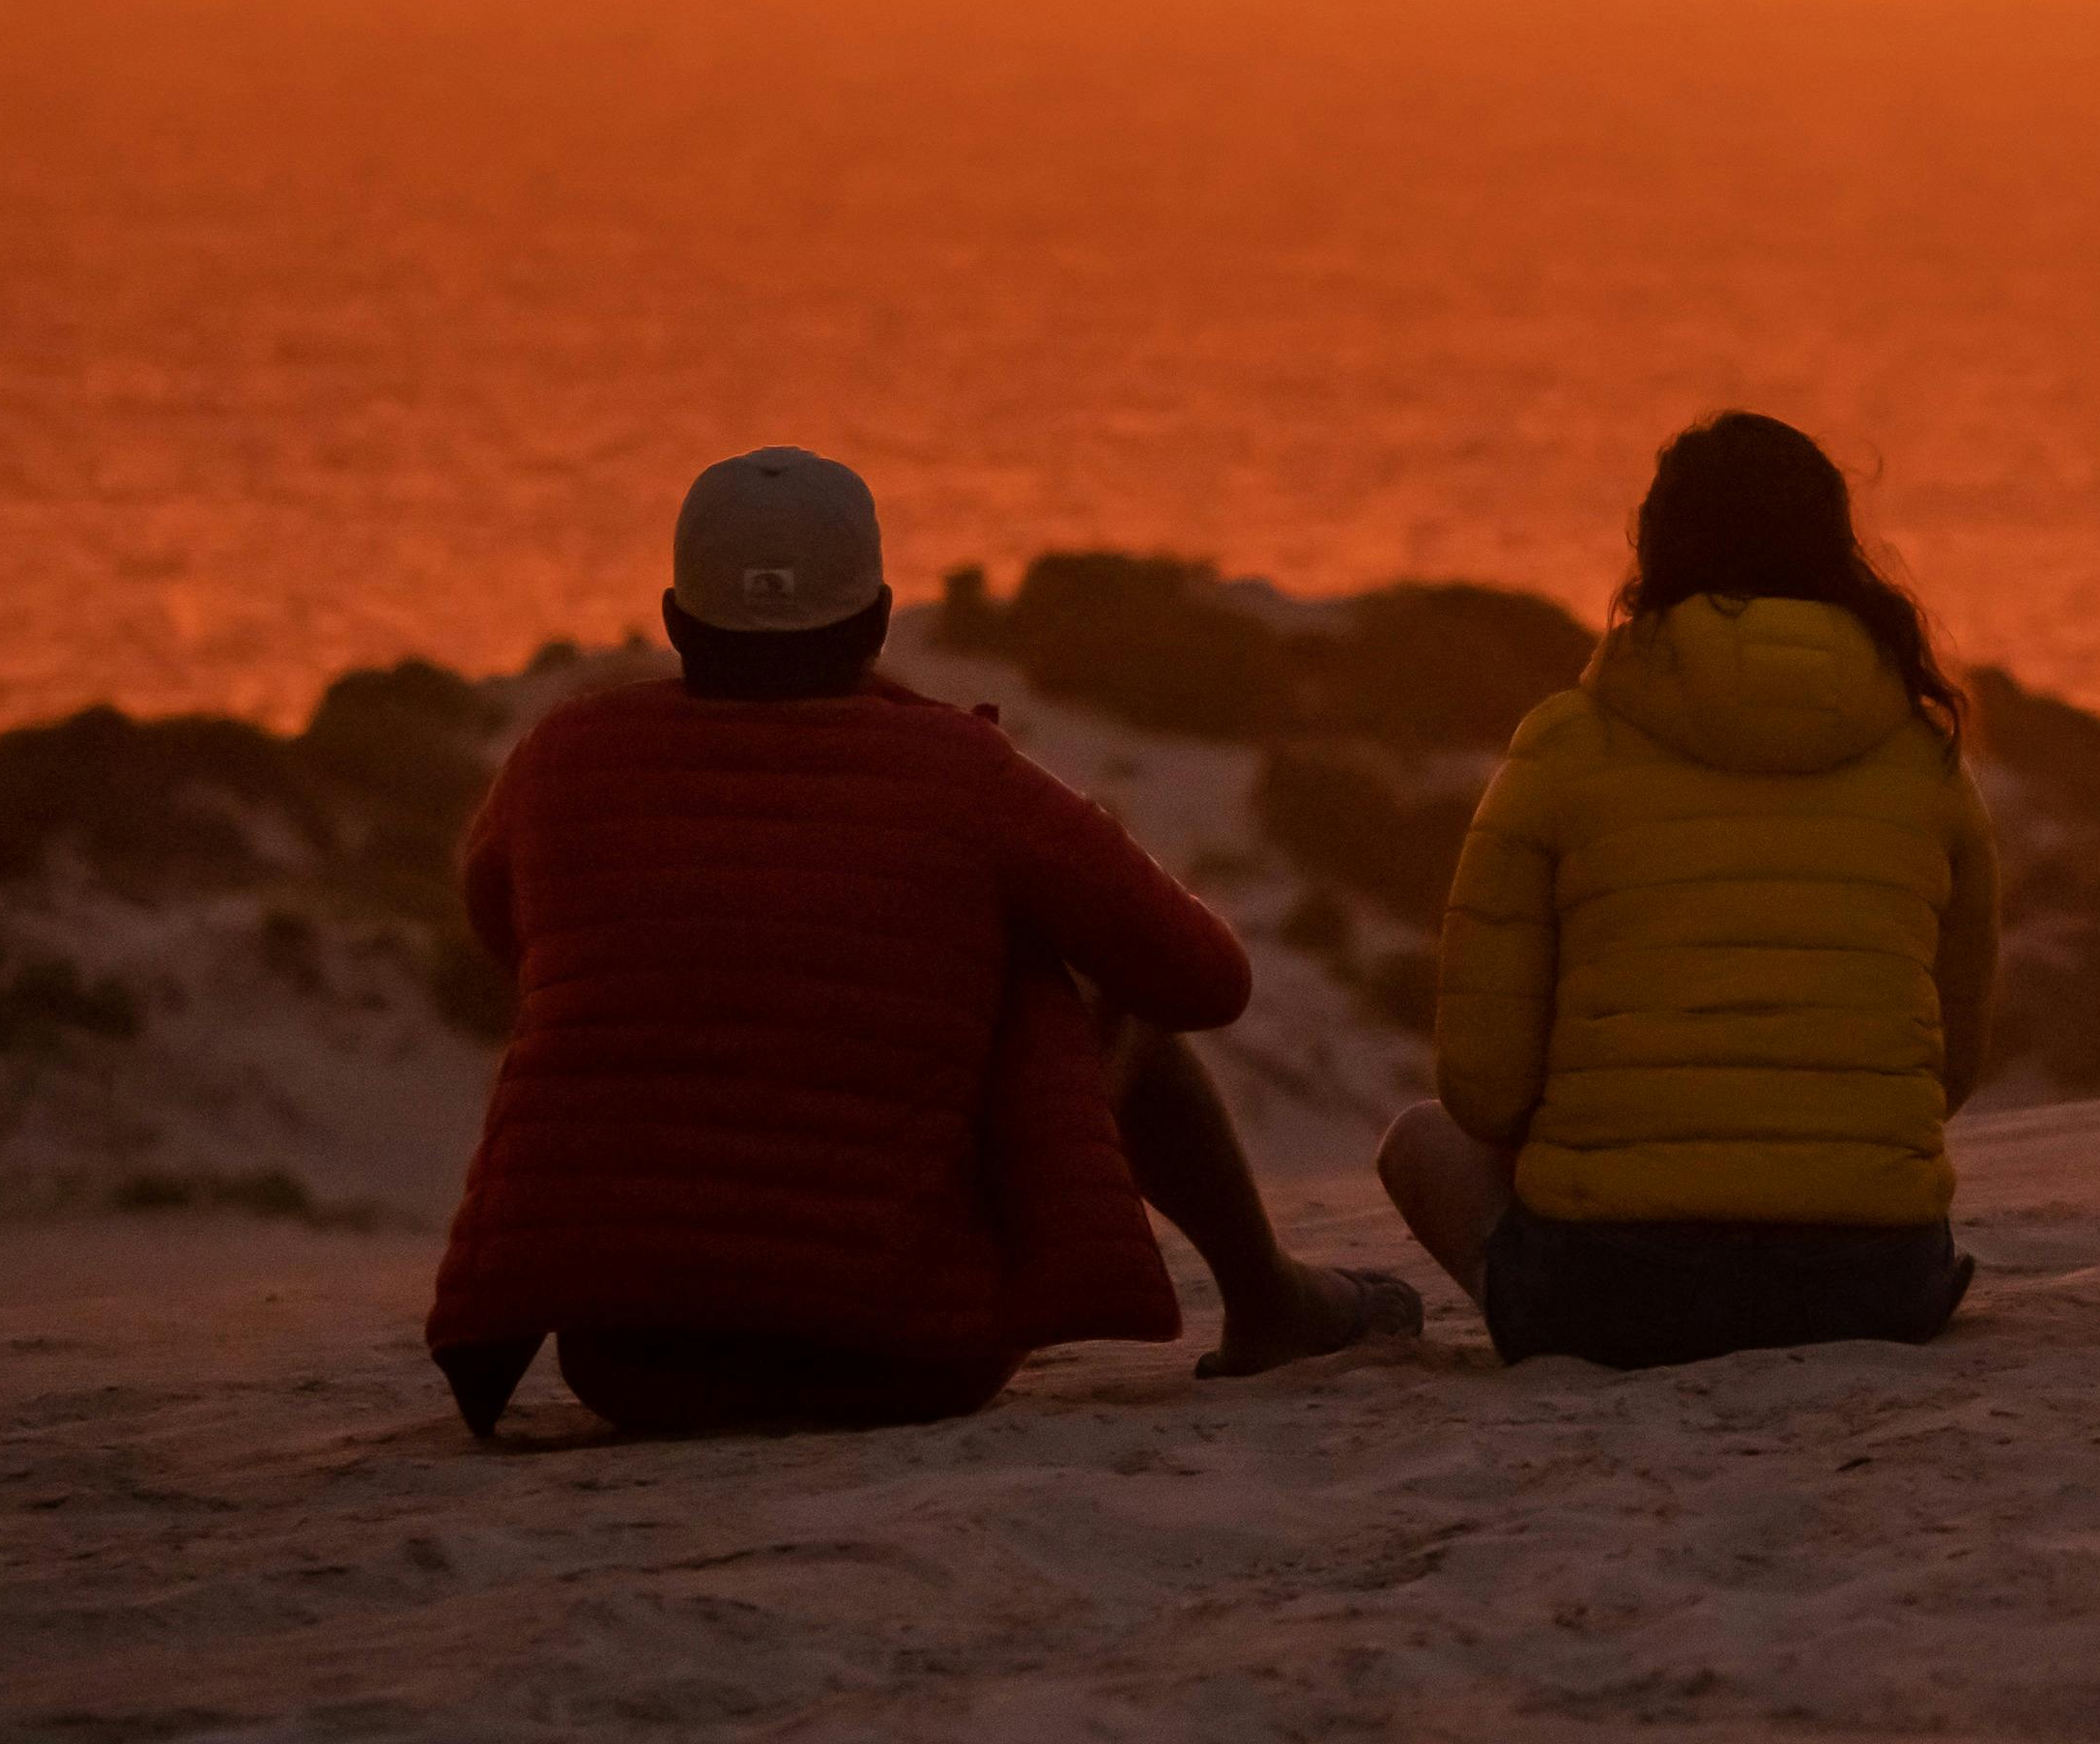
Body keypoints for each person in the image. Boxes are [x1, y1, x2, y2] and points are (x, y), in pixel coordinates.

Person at [426, 446, 1417, 1439]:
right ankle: (1273, 1302)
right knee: (1055, 978)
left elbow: (501, 931)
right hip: (901, 1360)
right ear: (877, 618)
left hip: (627, 1368)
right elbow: (1204, 976)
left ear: (678, 619)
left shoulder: (563, 756)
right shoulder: (959, 773)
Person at [1375, 414, 1999, 1367]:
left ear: (1655, 545)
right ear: (1837, 549)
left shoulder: (1563, 748)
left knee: (1418, 1143)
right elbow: (1947, 1071)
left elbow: (1482, 1089)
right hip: (1875, 1285)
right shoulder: (1929, 767)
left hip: (1611, 1295)